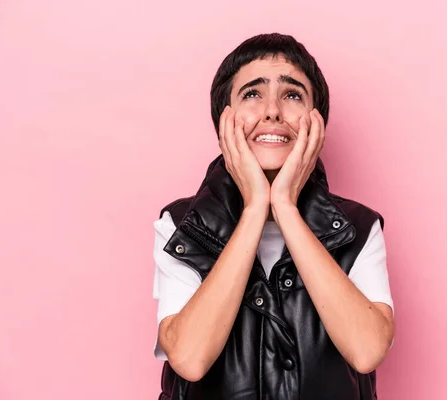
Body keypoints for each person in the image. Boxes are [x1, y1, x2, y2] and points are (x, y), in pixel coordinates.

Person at [152, 33, 395, 399]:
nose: (272, 111)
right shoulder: (182, 225)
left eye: (293, 95)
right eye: (252, 93)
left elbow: (366, 352)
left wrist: (284, 205)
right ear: (224, 122)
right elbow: (189, 357)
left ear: (317, 124)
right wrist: (254, 210)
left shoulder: (359, 229)